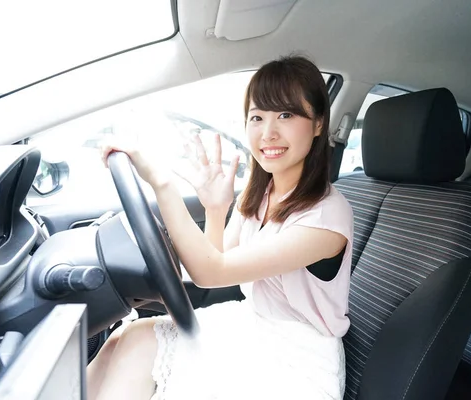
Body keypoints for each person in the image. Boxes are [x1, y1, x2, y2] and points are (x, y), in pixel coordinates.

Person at [89, 55, 353, 400]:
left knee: (139, 349)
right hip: (251, 327)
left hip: (296, 362)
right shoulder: (265, 192)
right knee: (127, 336)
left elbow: (211, 272)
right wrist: (216, 210)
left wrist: (161, 183)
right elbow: (220, 261)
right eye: (257, 117)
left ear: (318, 123)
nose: (268, 132)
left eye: (286, 115)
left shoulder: (326, 216)